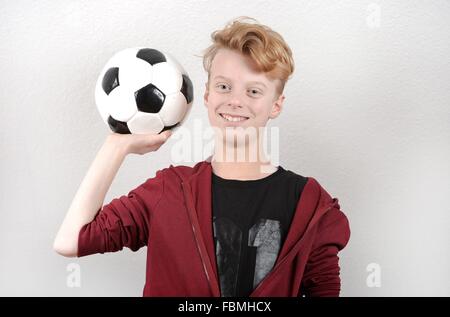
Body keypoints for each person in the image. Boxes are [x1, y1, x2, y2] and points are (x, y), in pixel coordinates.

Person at [53, 16, 350, 297]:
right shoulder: (168, 191)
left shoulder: (311, 205)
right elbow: (70, 240)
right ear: (208, 96)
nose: (235, 101)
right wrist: (116, 146)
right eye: (224, 86)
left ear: (276, 105)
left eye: (254, 91)